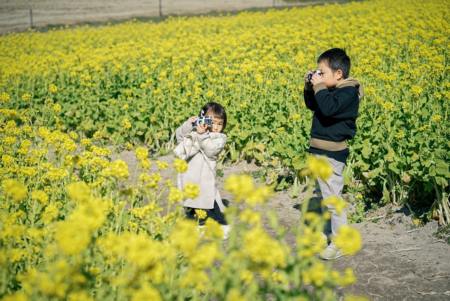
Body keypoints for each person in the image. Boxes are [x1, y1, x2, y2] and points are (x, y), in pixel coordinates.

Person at [303, 48, 364, 260]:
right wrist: (310, 88)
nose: (318, 76)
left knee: (333, 199)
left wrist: (318, 85)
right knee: (324, 196)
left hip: (332, 155)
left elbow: (328, 109)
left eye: (322, 72)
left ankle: (340, 242)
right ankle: (328, 234)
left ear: (338, 74)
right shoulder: (329, 90)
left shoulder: (347, 93)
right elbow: (314, 105)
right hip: (320, 151)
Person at [174, 102, 230, 239]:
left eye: (220, 124)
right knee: (191, 205)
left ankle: (223, 226)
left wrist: (202, 135)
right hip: (189, 177)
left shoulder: (220, 138)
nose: (216, 127)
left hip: (205, 179)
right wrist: (189, 124)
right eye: (212, 122)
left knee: (211, 205)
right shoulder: (195, 132)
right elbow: (179, 136)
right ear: (203, 119)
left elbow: (211, 150)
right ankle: (197, 226)